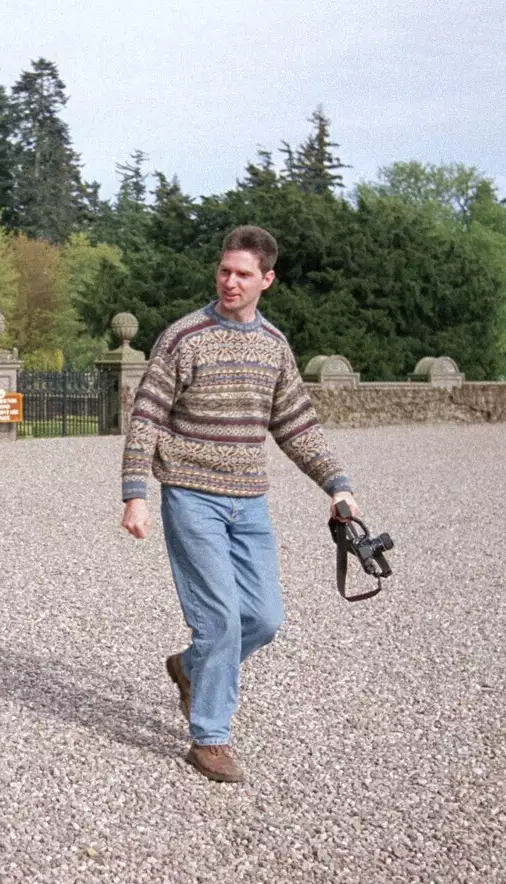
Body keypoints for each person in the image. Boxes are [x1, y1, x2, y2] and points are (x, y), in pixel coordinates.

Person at [120, 226, 360, 784]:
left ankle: (188, 668)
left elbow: (296, 424)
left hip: (249, 503)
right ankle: (210, 738)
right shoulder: (184, 337)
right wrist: (136, 494)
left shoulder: (274, 346)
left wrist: (337, 486)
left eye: (244, 274)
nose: (231, 281)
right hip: (191, 495)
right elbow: (147, 417)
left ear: (267, 280)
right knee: (221, 619)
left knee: (264, 619)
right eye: (225, 271)